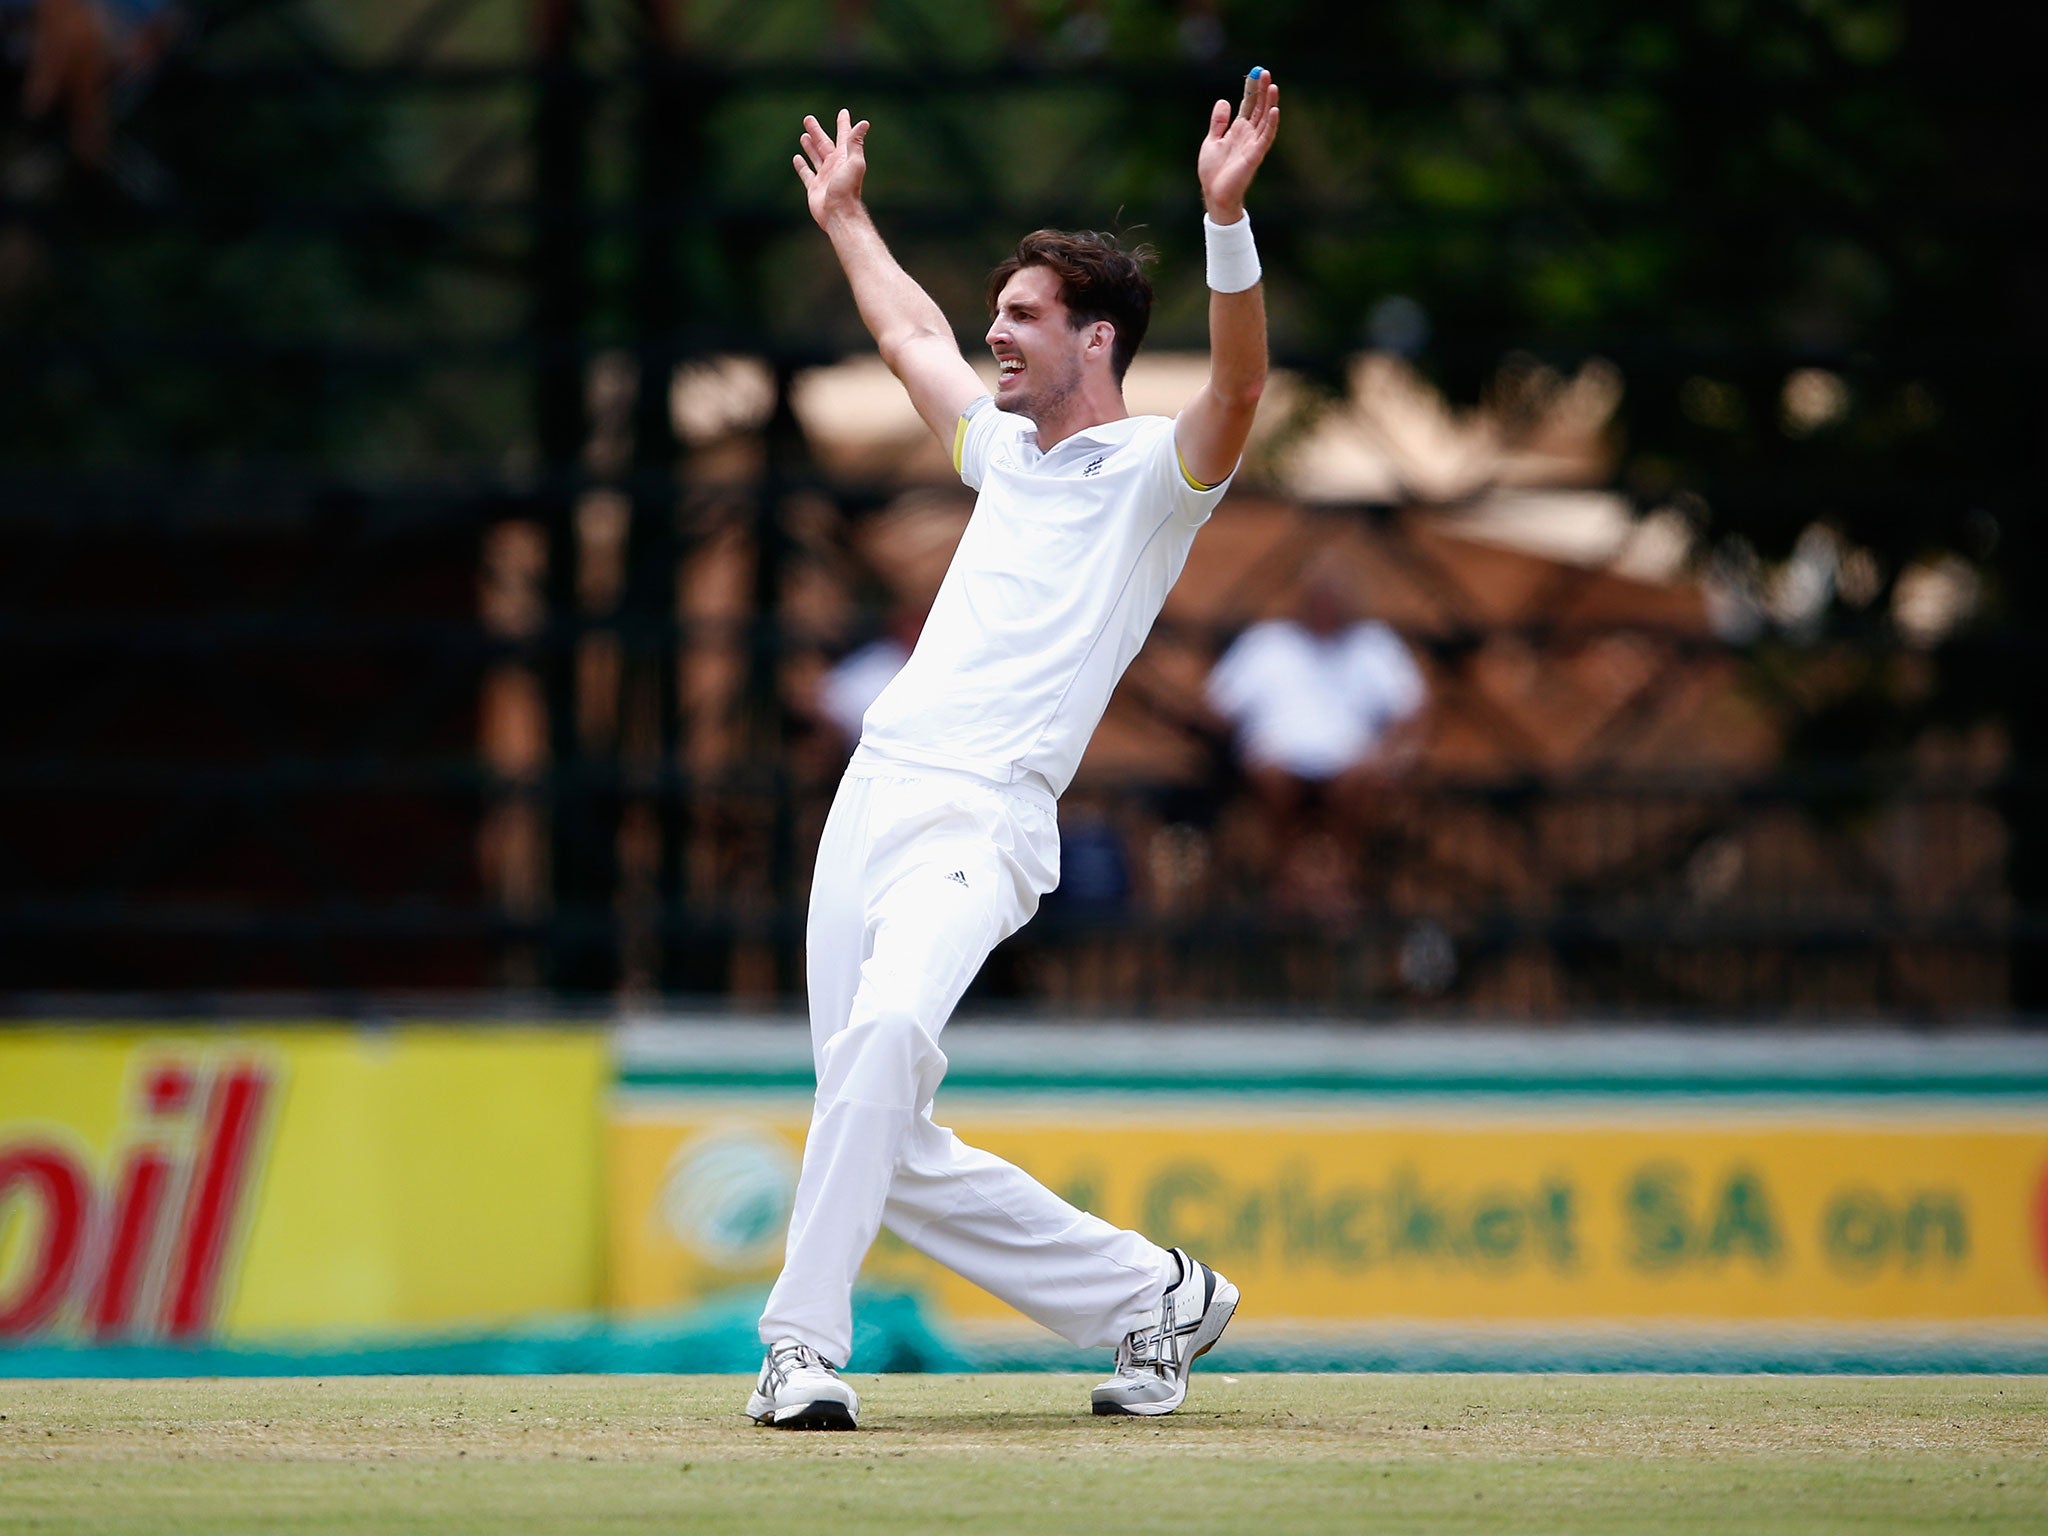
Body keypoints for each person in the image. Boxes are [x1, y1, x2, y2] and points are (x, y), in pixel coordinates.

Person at [746, 69, 1280, 1430]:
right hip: (876, 793)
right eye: (998, 313)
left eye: (1025, 318)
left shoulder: (1161, 477)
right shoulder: (1006, 457)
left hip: (984, 816)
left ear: (1095, 340)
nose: (994, 335)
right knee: (883, 1129)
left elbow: (1241, 379)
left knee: (881, 1045)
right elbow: (910, 333)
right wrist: (847, 221)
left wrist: (1224, 222)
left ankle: (799, 1348)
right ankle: (1154, 1296)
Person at [1205, 559, 1428, 914]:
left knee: (1358, 783)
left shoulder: (1373, 645)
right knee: (1271, 779)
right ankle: (1285, 877)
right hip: (1277, 760)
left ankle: (1343, 878)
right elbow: (1220, 705)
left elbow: (1411, 711)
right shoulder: (1267, 643)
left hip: (1352, 762)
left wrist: (1392, 754)